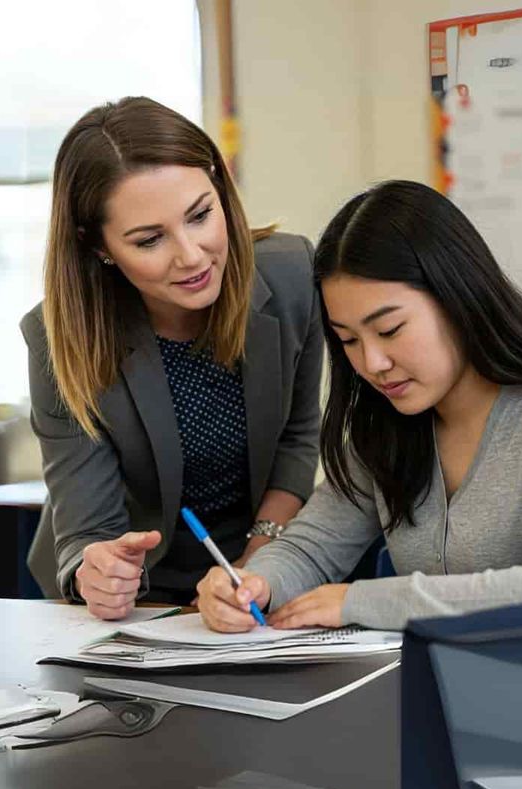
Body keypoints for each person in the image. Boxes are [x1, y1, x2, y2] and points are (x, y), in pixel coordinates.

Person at [197, 180, 522, 632]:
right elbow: (309, 550)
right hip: (436, 670)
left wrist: (366, 601)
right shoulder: (387, 426)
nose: (373, 363)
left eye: (389, 330)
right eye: (349, 340)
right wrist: (252, 584)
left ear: (457, 297)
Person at [21, 97, 323, 618]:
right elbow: (88, 532)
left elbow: (298, 436)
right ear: (99, 247)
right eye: (149, 240)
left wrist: (259, 558)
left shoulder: (293, 275)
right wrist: (100, 574)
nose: (191, 255)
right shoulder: (60, 337)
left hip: (254, 567)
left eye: (201, 215)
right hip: (132, 600)